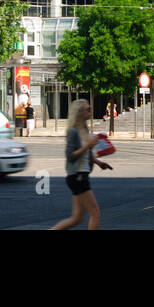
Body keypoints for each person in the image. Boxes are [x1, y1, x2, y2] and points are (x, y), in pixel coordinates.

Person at [51, 99, 112, 230]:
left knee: (77, 218)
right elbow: (70, 156)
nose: (90, 111)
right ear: (79, 113)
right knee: (95, 213)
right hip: (77, 176)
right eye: (88, 109)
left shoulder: (85, 129)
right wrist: (88, 145)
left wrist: (99, 162)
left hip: (82, 175)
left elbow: (85, 154)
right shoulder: (73, 132)